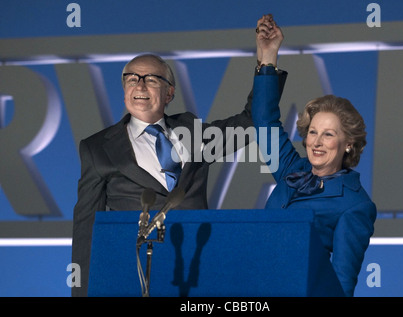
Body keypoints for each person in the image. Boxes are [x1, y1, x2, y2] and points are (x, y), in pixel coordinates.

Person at [71, 50, 287, 295]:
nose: (139, 85)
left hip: (198, 269)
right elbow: (86, 228)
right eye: (132, 79)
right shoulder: (97, 148)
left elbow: (249, 122)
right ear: (124, 92)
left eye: (151, 79)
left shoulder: (192, 133)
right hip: (137, 275)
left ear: (169, 93)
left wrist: (267, 60)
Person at [253, 15, 377, 297]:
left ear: (348, 144)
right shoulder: (290, 169)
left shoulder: (356, 205)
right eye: (312, 132)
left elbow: (341, 284)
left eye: (329, 134)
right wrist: (269, 57)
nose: (317, 143)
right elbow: (263, 121)